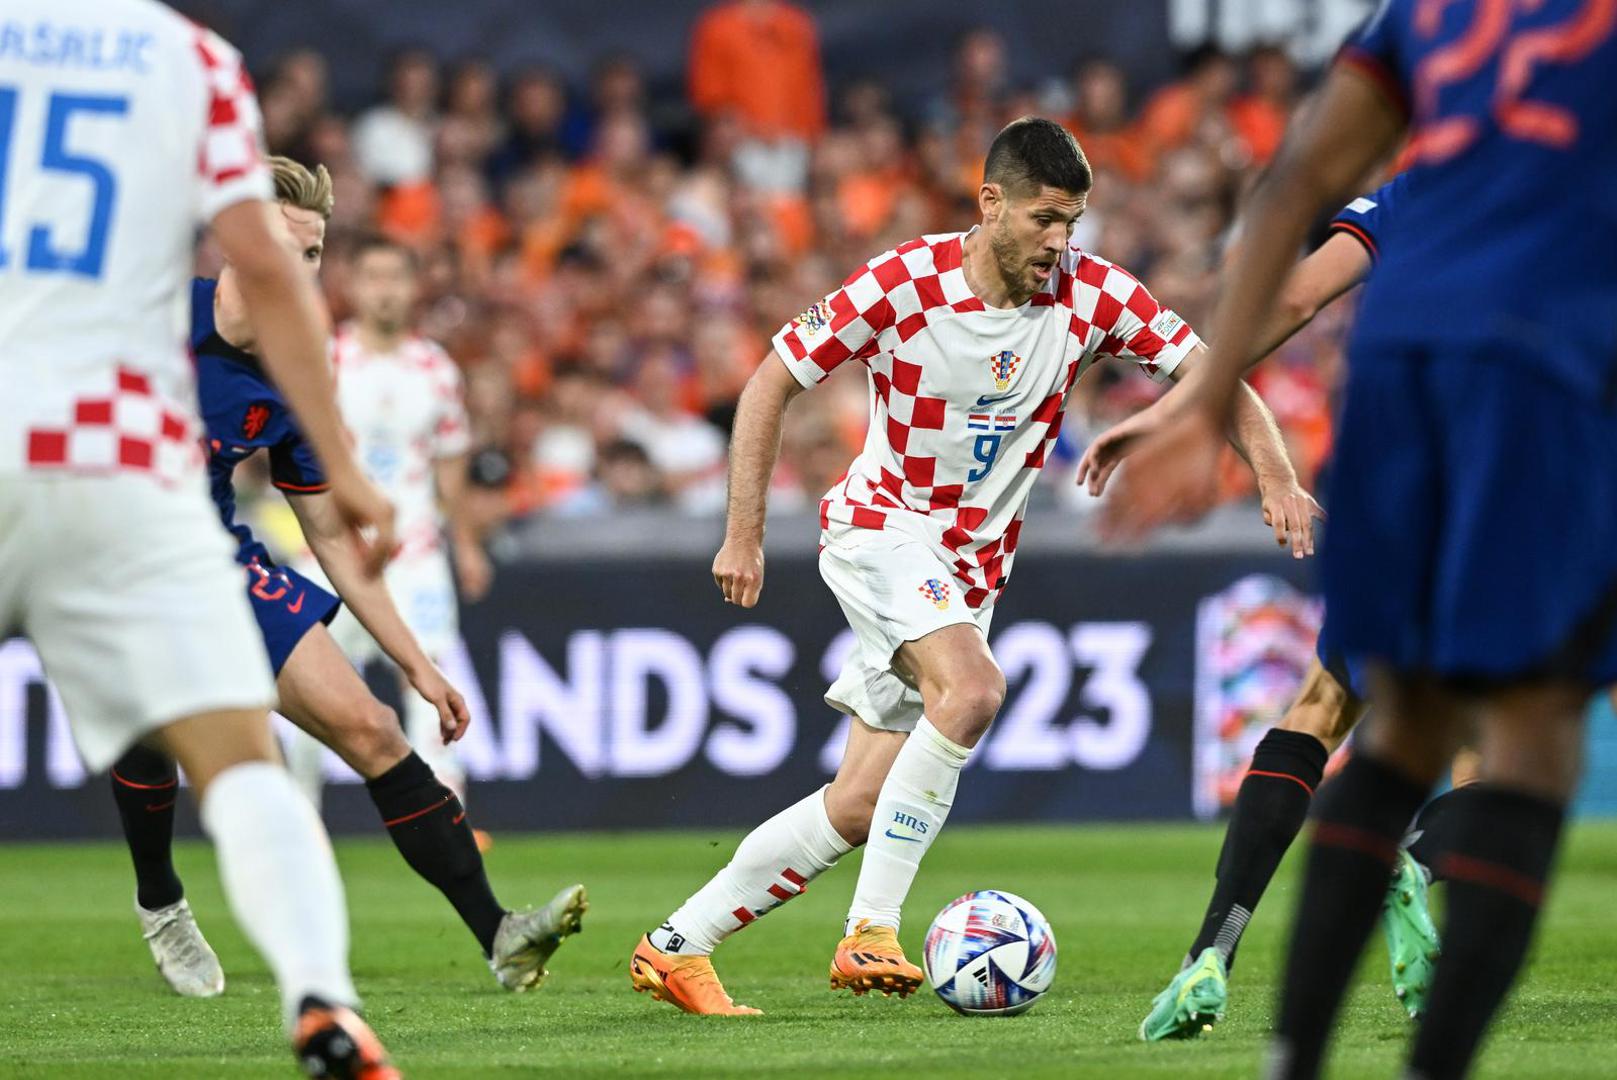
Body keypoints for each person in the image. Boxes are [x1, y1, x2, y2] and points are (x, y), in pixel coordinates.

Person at [627, 116, 1321, 1015]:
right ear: (989, 202)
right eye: (1043, 218)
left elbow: (1211, 370)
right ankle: (869, 930)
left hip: (968, 573)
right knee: (974, 691)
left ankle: (678, 945)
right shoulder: (902, 283)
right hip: (880, 529)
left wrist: (1275, 476)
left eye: (1072, 221)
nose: (1059, 241)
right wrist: (742, 532)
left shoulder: (1091, 294)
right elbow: (771, 381)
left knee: (857, 803)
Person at [1103, 3, 1617, 1077]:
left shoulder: (1429, 25)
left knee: (1376, 722)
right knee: (1527, 738)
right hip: (1539, 374)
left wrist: (1198, 401)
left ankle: (1288, 1050)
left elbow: (1293, 196)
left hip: (1396, 375)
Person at [1, 2, 398, 1074]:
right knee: (241, 758)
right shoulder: (191, 60)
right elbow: (267, 268)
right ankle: (322, 1003)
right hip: (116, 457)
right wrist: (347, 463)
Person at [106, 159, 585, 1003]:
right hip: (109, 556)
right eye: (287, 249)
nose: (303, 270)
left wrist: (417, 666)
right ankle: (161, 902)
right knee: (153, 729)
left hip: (216, 560)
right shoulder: (145, 313)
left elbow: (330, 532)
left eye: (315, 252)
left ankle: (501, 936)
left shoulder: (299, 377)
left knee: (372, 731)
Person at [1084, 175, 1444, 1038]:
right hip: (1519, 474)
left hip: (1387, 469)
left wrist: (1177, 409)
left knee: (1319, 707)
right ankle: (1420, 865)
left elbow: (1289, 294)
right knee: (1495, 743)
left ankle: (1209, 952)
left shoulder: (1416, 192)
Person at [284, 235, 492, 826]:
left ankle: (446, 824)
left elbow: (450, 465)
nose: (384, 290)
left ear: (414, 286)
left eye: (395, 277)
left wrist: (468, 545)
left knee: (432, 690)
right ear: (352, 284)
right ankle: (298, 825)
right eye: (373, 277)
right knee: (304, 692)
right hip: (327, 550)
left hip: (415, 554)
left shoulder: (436, 369)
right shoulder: (323, 359)